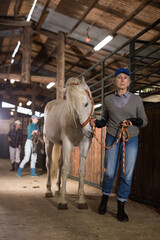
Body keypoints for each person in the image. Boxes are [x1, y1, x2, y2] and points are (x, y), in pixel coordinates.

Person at [91, 68, 148, 222]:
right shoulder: (108, 100)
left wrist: (132, 120)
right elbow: (105, 119)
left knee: (127, 174)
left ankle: (121, 208)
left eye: (125, 77)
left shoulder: (137, 100)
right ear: (114, 81)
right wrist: (96, 123)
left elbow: (144, 120)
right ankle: (104, 199)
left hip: (131, 139)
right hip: (112, 137)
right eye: (119, 77)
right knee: (109, 172)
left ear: (128, 82)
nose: (122, 80)